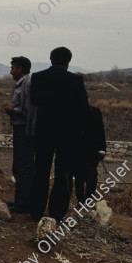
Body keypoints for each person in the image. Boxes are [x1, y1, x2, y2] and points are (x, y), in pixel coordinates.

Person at [29, 47, 89, 222]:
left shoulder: (38, 77)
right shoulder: (76, 80)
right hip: (67, 134)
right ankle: (56, 212)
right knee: (63, 173)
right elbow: (83, 110)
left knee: (40, 171)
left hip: (44, 131)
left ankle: (36, 211)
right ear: (68, 61)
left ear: (50, 59)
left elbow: (34, 101)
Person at [4, 56, 36, 214]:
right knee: (20, 166)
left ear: (21, 69)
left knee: (22, 167)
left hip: (23, 130)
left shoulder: (26, 85)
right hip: (20, 129)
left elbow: (27, 110)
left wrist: (12, 110)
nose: (11, 71)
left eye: (13, 68)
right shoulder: (22, 84)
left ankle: (23, 204)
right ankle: (21, 201)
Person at [75, 104, 106, 203]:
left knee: (92, 176)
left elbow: (100, 131)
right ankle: (80, 202)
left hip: (92, 151)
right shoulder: (73, 111)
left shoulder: (95, 112)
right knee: (79, 177)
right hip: (78, 150)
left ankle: (88, 200)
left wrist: (102, 149)